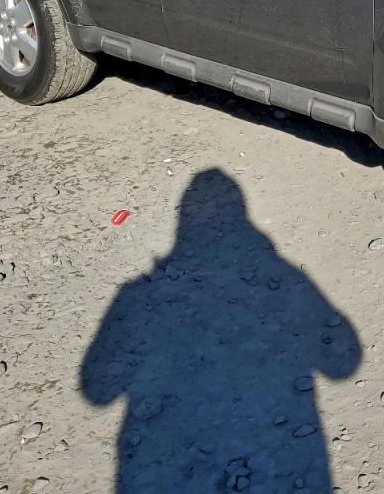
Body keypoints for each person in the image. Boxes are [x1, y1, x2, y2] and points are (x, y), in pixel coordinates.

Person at [81, 168, 361, 493]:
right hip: (283, 459)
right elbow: (344, 363)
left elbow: (96, 391)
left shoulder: (135, 295)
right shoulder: (289, 279)